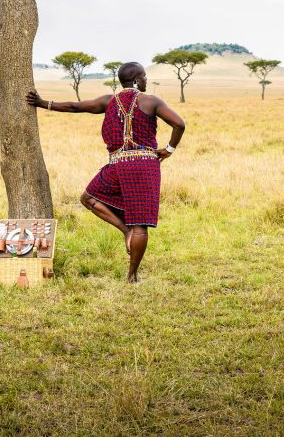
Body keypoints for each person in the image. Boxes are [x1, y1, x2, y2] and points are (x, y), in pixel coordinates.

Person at [25, 62, 185, 282]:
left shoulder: (109, 101)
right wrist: (168, 150)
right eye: (145, 76)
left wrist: (43, 103)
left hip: (118, 164)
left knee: (88, 198)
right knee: (139, 225)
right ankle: (132, 274)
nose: (147, 80)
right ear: (137, 80)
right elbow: (179, 124)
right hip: (146, 166)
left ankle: (125, 231)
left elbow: (75, 106)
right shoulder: (151, 101)